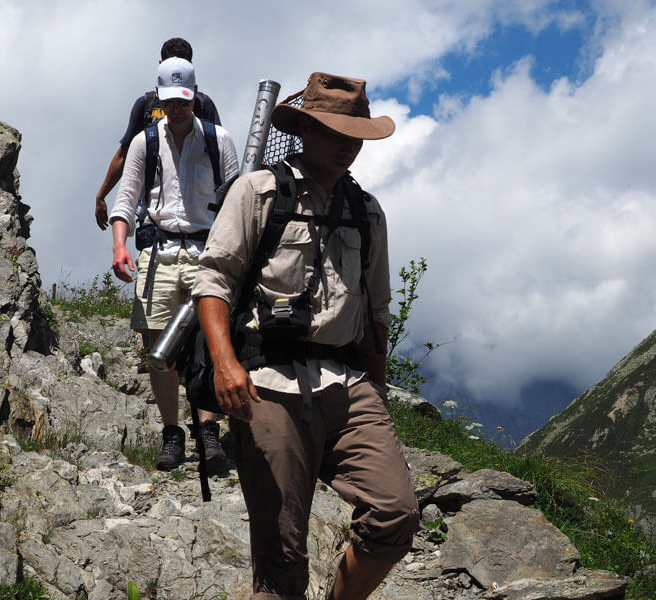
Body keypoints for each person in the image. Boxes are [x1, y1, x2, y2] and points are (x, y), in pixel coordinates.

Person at [193, 72, 420, 599]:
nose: (347, 148)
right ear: (306, 131)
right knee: (281, 554)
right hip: (266, 381)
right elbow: (214, 280)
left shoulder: (367, 213)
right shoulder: (260, 191)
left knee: (395, 514)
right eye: (335, 134)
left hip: (349, 381)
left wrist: (378, 394)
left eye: (355, 137)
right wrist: (226, 364)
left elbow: (376, 313)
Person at [109, 57, 238, 471]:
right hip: (158, 253)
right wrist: (119, 245)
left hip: (209, 254)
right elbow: (126, 197)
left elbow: (239, 203)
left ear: (195, 95)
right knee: (157, 348)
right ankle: (172, 434)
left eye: (184, 101)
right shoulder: (145, 142)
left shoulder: (220, 140)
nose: (178, 108)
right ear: (160, 99)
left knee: (210, 343)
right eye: (170, 102)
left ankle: (209, 431)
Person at [95, 37, 221, 230]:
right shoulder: (149, 105)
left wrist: (101, 195)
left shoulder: (201, 105)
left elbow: (218, 154)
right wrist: (101, 195)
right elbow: (126, 153)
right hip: (158, 201)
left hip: (195, 204)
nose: (176, 108)